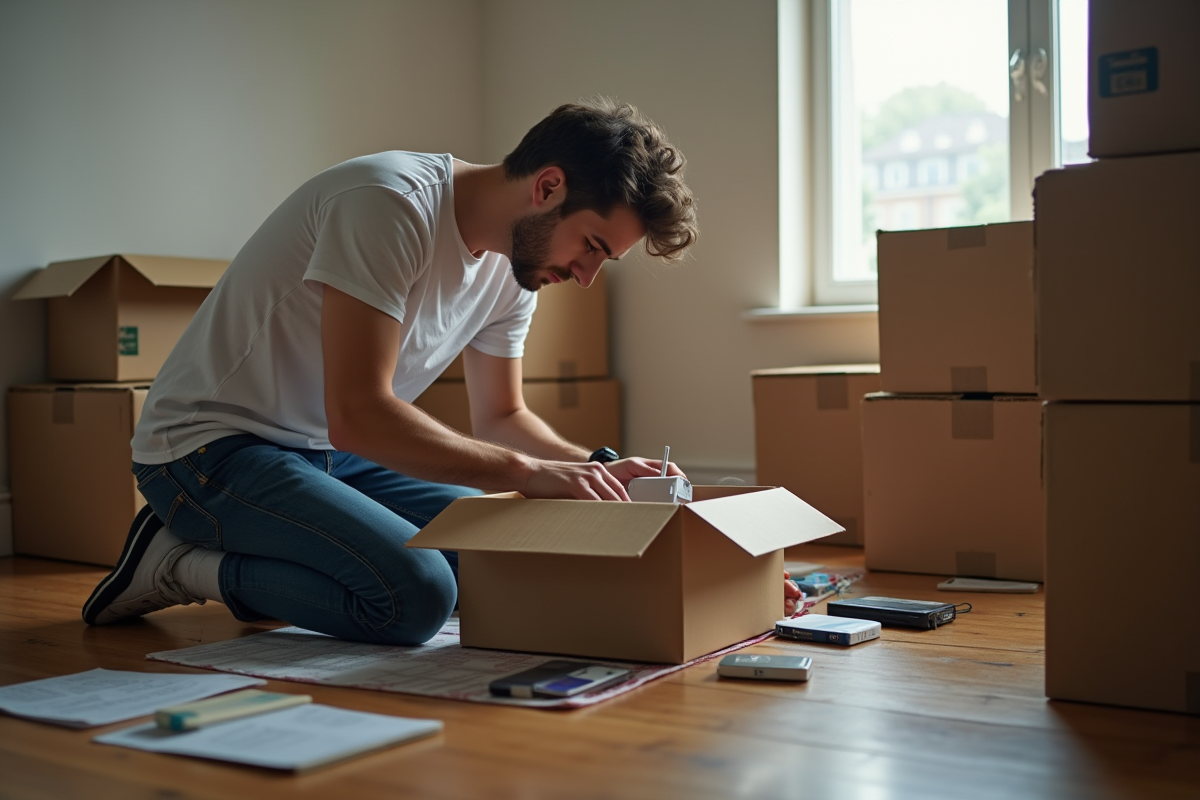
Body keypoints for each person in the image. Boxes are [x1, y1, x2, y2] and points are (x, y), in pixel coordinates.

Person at [83, 98, 803, 644]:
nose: (586, 277)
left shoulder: (515, 272)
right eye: (591, 246)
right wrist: (527, 474)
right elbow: (360, 413)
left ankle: (265, 546)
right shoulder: (389, 205)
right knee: (417, 594)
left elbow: (504, 417)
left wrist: (601, 473)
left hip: (327, 453)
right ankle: (174, 561)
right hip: (208, 450)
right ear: (548, 187)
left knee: (499, 559)